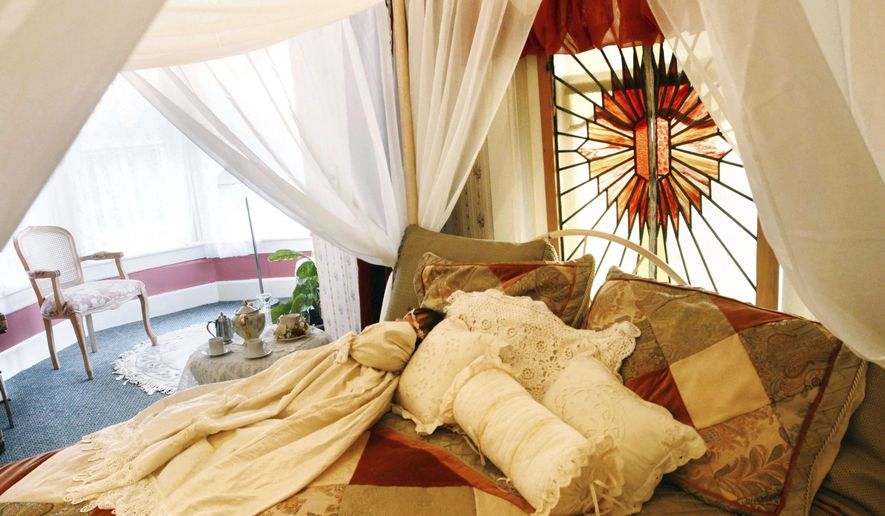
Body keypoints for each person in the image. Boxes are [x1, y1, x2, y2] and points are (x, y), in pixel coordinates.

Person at [0, 311, 442, 515]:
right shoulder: (396, 329)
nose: (406, 313)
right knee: (239, 399)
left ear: (420, 324)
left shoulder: (402, 335)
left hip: (345, 378)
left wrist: (359, 345)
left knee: (264, 425)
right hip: (324, 367)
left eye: (413, 314)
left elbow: (378, 351)